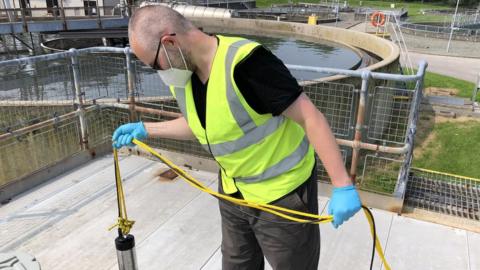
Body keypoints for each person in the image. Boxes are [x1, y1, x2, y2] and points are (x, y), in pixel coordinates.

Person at [113, 5, 361, 270]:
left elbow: (309, 117)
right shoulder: (184, 79)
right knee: (237, 264)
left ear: (170, 42)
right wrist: (147, 129)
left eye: (154, 64)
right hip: (233, 193)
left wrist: (341, 184)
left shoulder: (247, 64)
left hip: (283, 195)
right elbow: (202, 124)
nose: (159, 72)